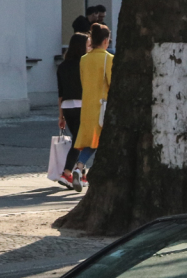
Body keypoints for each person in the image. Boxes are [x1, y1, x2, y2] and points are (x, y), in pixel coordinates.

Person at [73, 23, 112, 183]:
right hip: (102, 106)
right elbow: (112, 83)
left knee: (91, 141)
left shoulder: (84, 59)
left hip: (87, 105)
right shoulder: (108, 59)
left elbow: (84, 81)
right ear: (105, 41)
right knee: (103, 140)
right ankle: (89, 169)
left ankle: (79, 167)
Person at [56, 32, 88, 190]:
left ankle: (79, 173)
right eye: (88, 44)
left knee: (79, 139)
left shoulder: (62, 66)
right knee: (81, 141)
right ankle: (69, 172)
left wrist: (60, 116)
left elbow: (60, 93)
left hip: (68, 107)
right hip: (83, 105)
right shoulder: (84, 64)